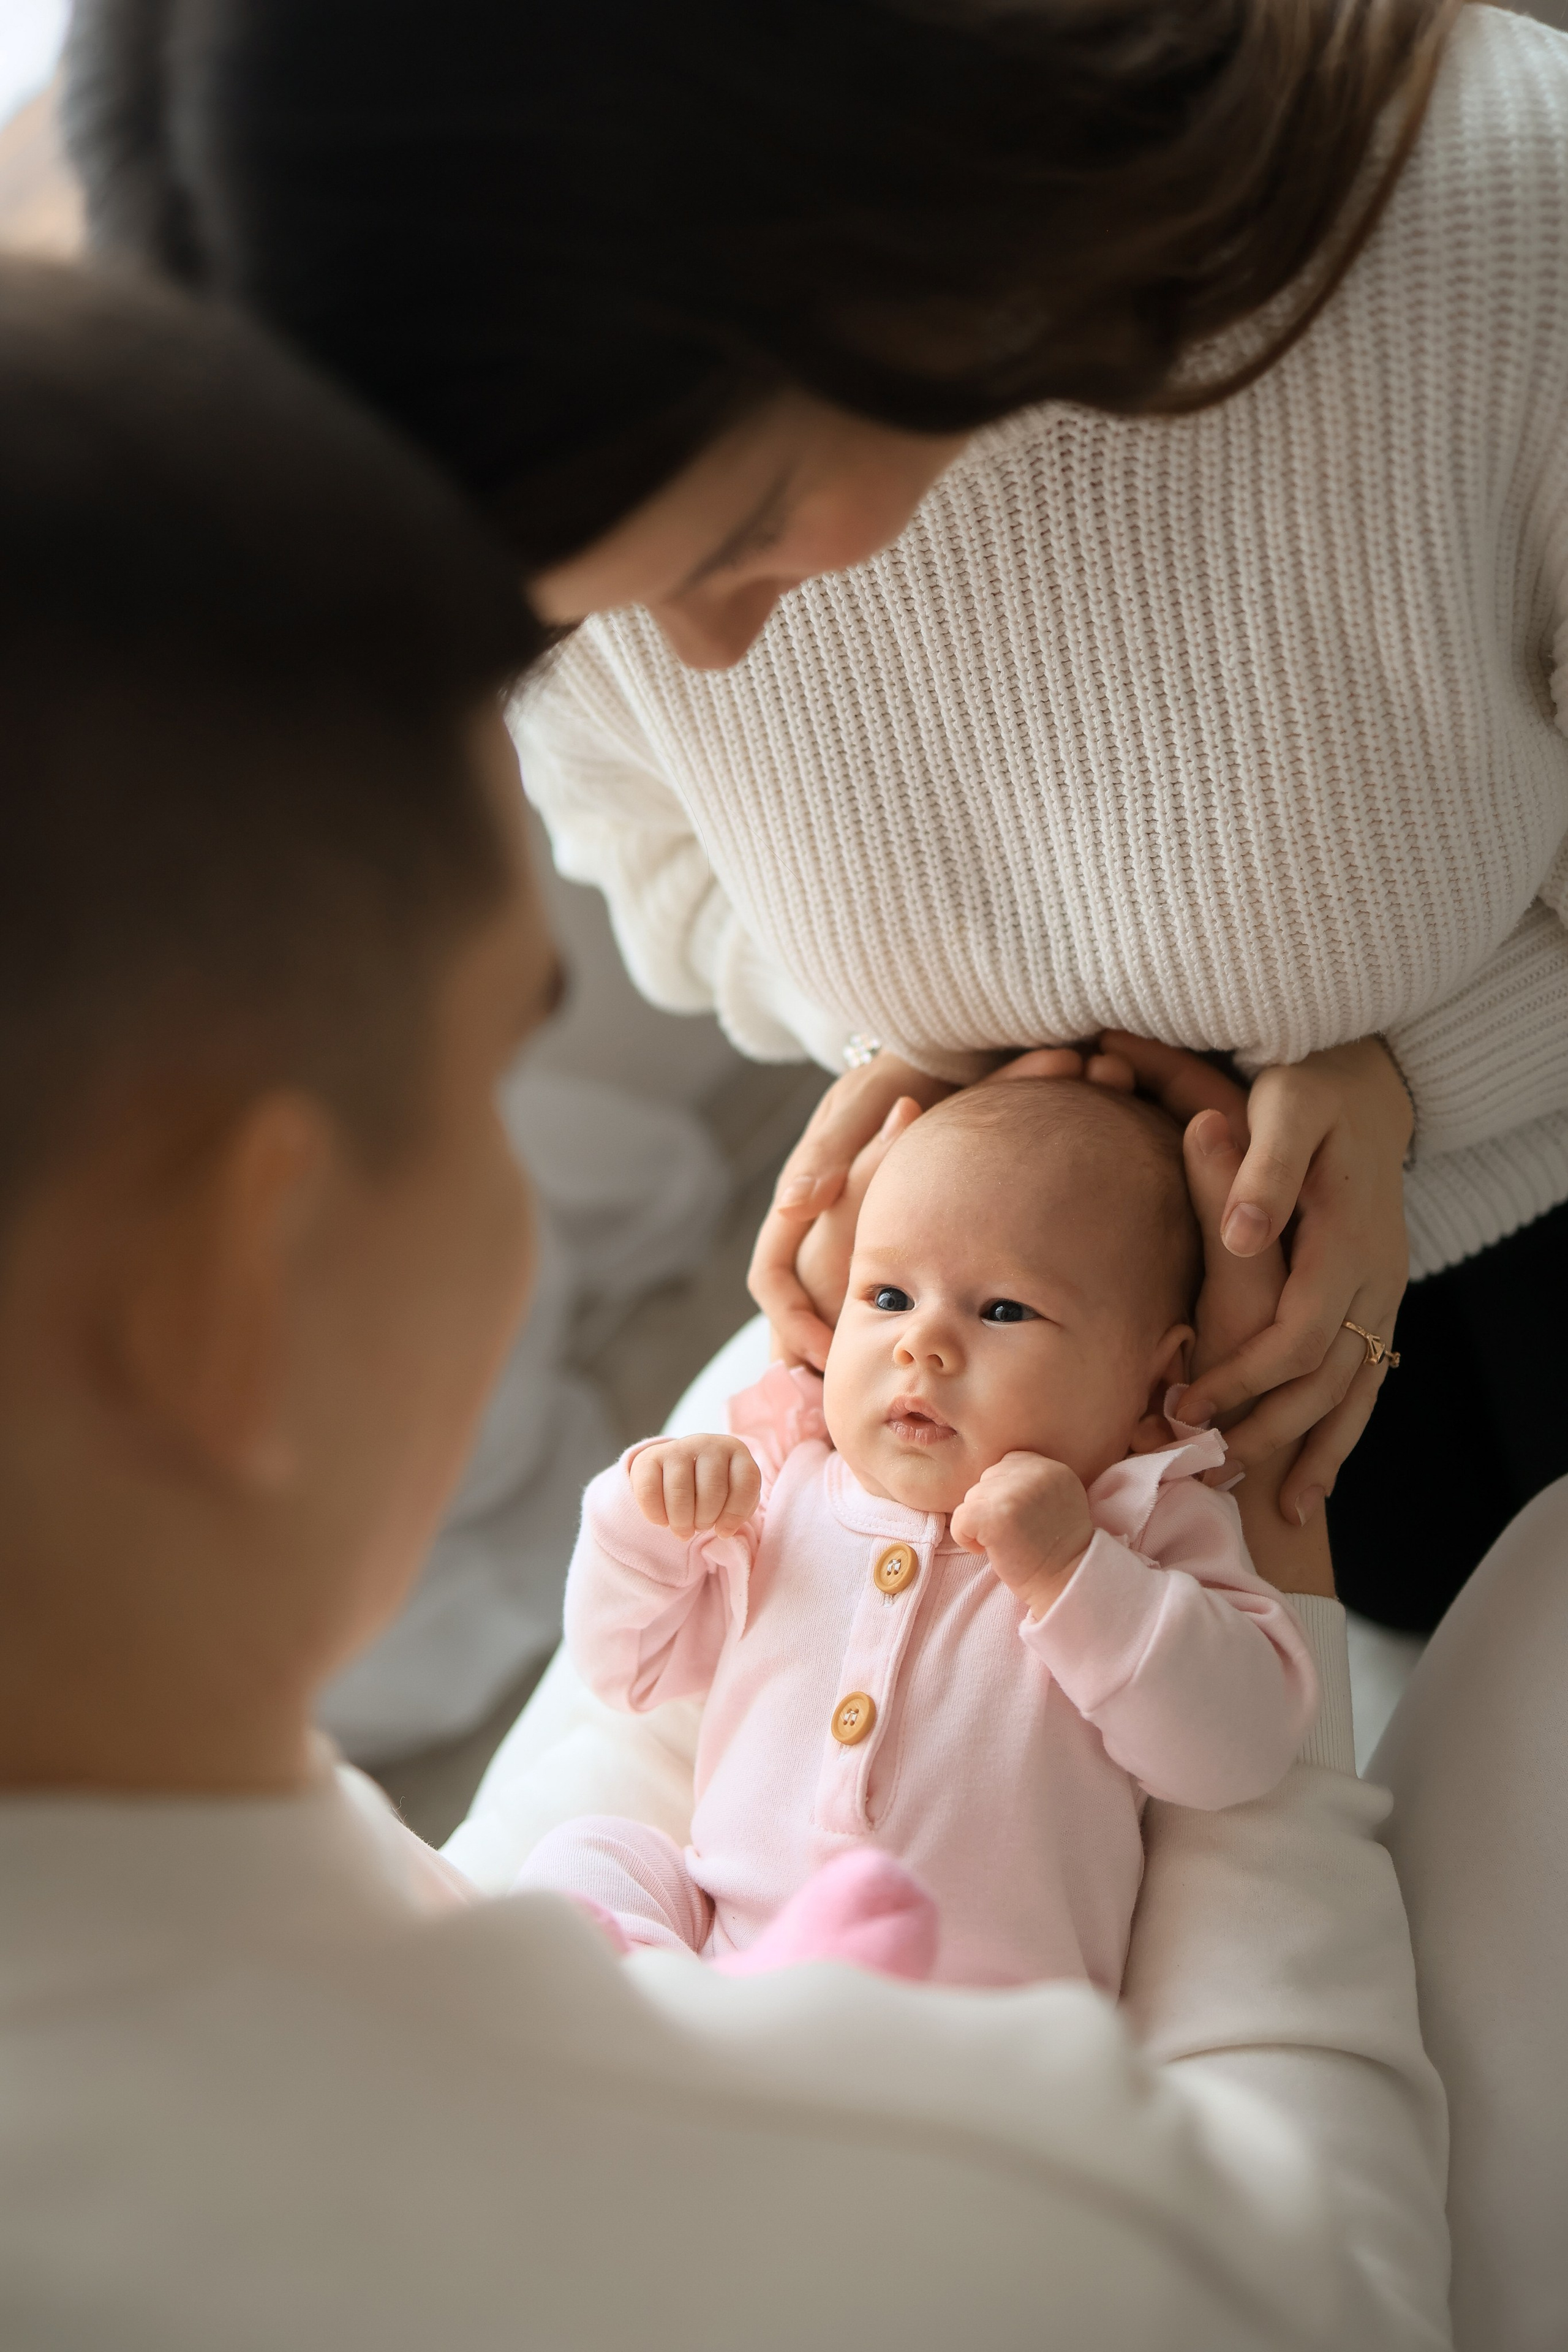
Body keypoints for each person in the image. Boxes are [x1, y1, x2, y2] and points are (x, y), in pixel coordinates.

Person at [0, 258, 1448, 2349]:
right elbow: (1327, 2277)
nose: (857, 1328)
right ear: (233, 1288)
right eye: (511, 1052)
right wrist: (1285, 1602)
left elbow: (617, 1747)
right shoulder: (982, 2212)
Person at [62, 0, 1568, 1635]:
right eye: (595, 614)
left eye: (744, 537)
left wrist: (1425, 1078)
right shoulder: (517, 449)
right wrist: (941, 1079)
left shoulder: (1493, 228)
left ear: (855, 228)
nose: (698, 660)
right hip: (1159, 1374)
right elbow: (661, 861)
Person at [522, 1080, 1316, 1988]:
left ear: (1151, 1382)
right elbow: (630, 1669)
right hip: (728, 1960)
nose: (922, 1345)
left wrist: (1076, 1572)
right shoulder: (785, 1482)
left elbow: (1239, 1752)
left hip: (974, 2028)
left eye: (1004, 1311)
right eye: (889, 1295)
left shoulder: (1138, 1520)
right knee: (592, 1858)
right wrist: (649, 1521)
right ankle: (628, 2021)